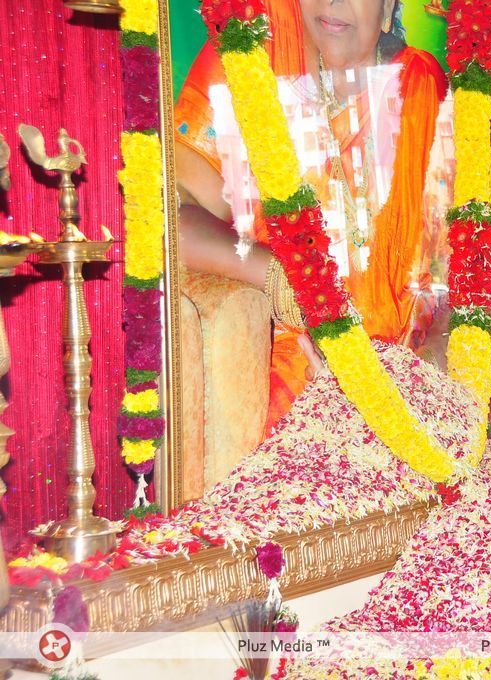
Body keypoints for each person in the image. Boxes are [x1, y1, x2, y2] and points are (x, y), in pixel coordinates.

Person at [175, 0, 449, 431]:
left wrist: (427, 369)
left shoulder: (420, 84)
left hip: (407, 397)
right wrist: (280, 275)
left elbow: (454, 265)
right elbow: (174, 215)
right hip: (282, 389)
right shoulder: (245, 58)